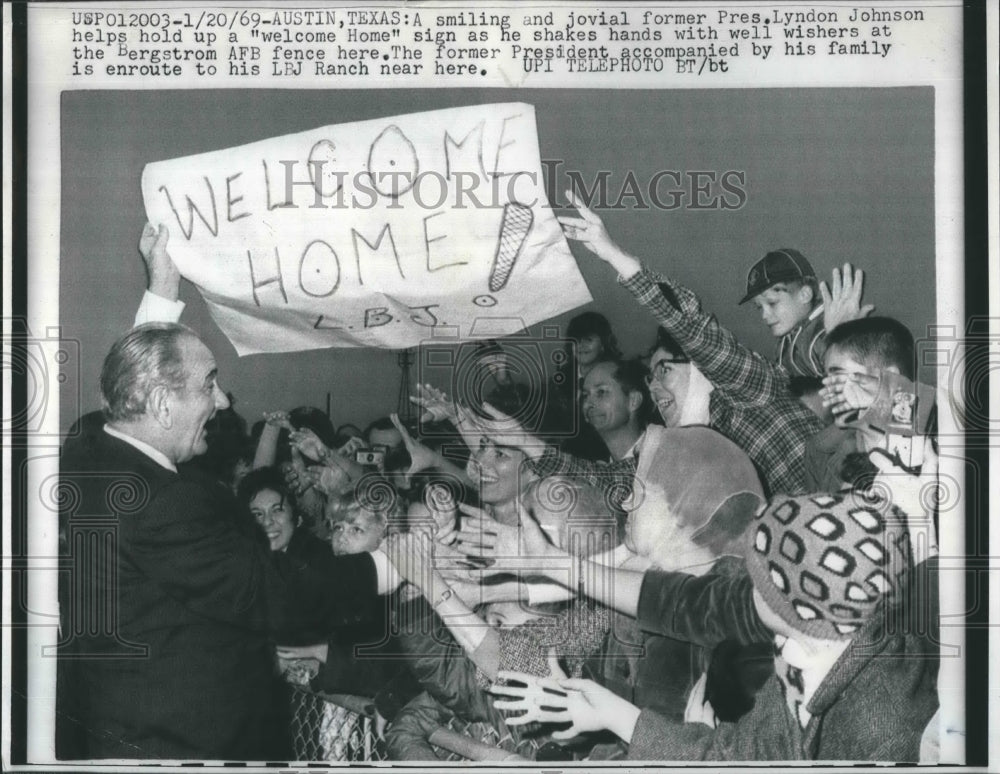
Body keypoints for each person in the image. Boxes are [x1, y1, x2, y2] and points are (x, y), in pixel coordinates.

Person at [56, 320, 409, 760]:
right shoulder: (165, 502)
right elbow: (275, 592)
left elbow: (132, 388)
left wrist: (162, 298)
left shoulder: (90, 452)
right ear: (164, 406)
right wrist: (398, 563)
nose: (222, 401)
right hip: (183, 746)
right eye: (209, 385)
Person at [485, 451, 939, 762]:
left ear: (788, 608)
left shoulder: (881, 729)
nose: (740, 585)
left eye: (755, 581)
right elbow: (686, 603)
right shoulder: (828, 619)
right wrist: (559, 566)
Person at [557, 191, 833, 496]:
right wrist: (525, 452)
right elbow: (616, 476)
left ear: (700, 367)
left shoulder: (752, 393)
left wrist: (616, 257)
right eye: (649, 378)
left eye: (664, 371)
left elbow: (691, 326)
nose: (652, 387)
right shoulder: (692, 447)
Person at [807, 316, 933, 492]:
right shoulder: (821, 451)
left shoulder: (939, 432)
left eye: (838, 377)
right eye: (826, 379)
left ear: (889, 378)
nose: (827, 389)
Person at [739, 250, 872, 378]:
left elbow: (852, 383)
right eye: (759, 307)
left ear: (804, 295)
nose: (764, 315)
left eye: (772, 303)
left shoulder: (822, 333)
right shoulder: (786, 339)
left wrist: (840, 338)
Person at [580, 356, 652, 460]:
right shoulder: (591, 464)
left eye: (601, 392)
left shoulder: (665, 456)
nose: (587, 404)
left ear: (633, 401)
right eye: (585, 395)